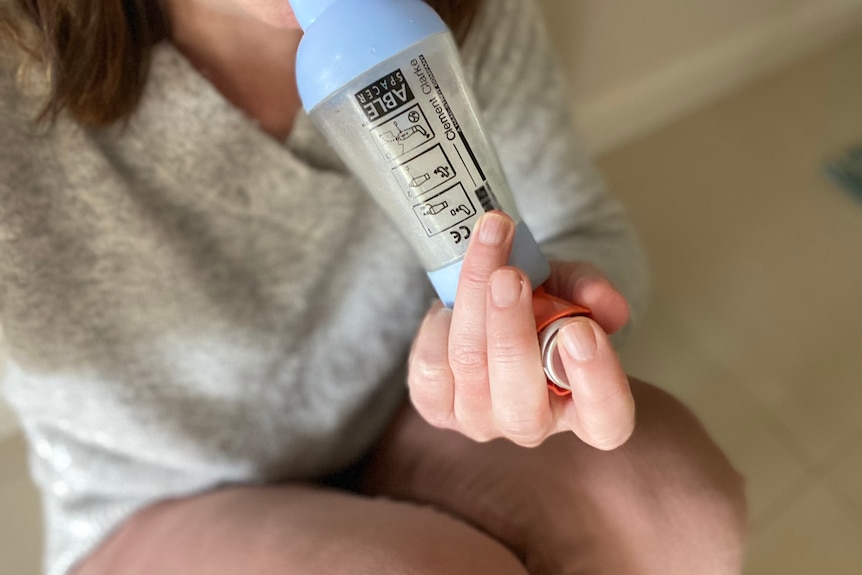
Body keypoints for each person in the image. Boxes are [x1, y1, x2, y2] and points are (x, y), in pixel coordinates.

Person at [0, 0, 747, 573]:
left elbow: (579, 223)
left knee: (677, 508)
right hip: (159, 496)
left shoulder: (450, 16)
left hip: (405, 413)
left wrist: (548, 328)